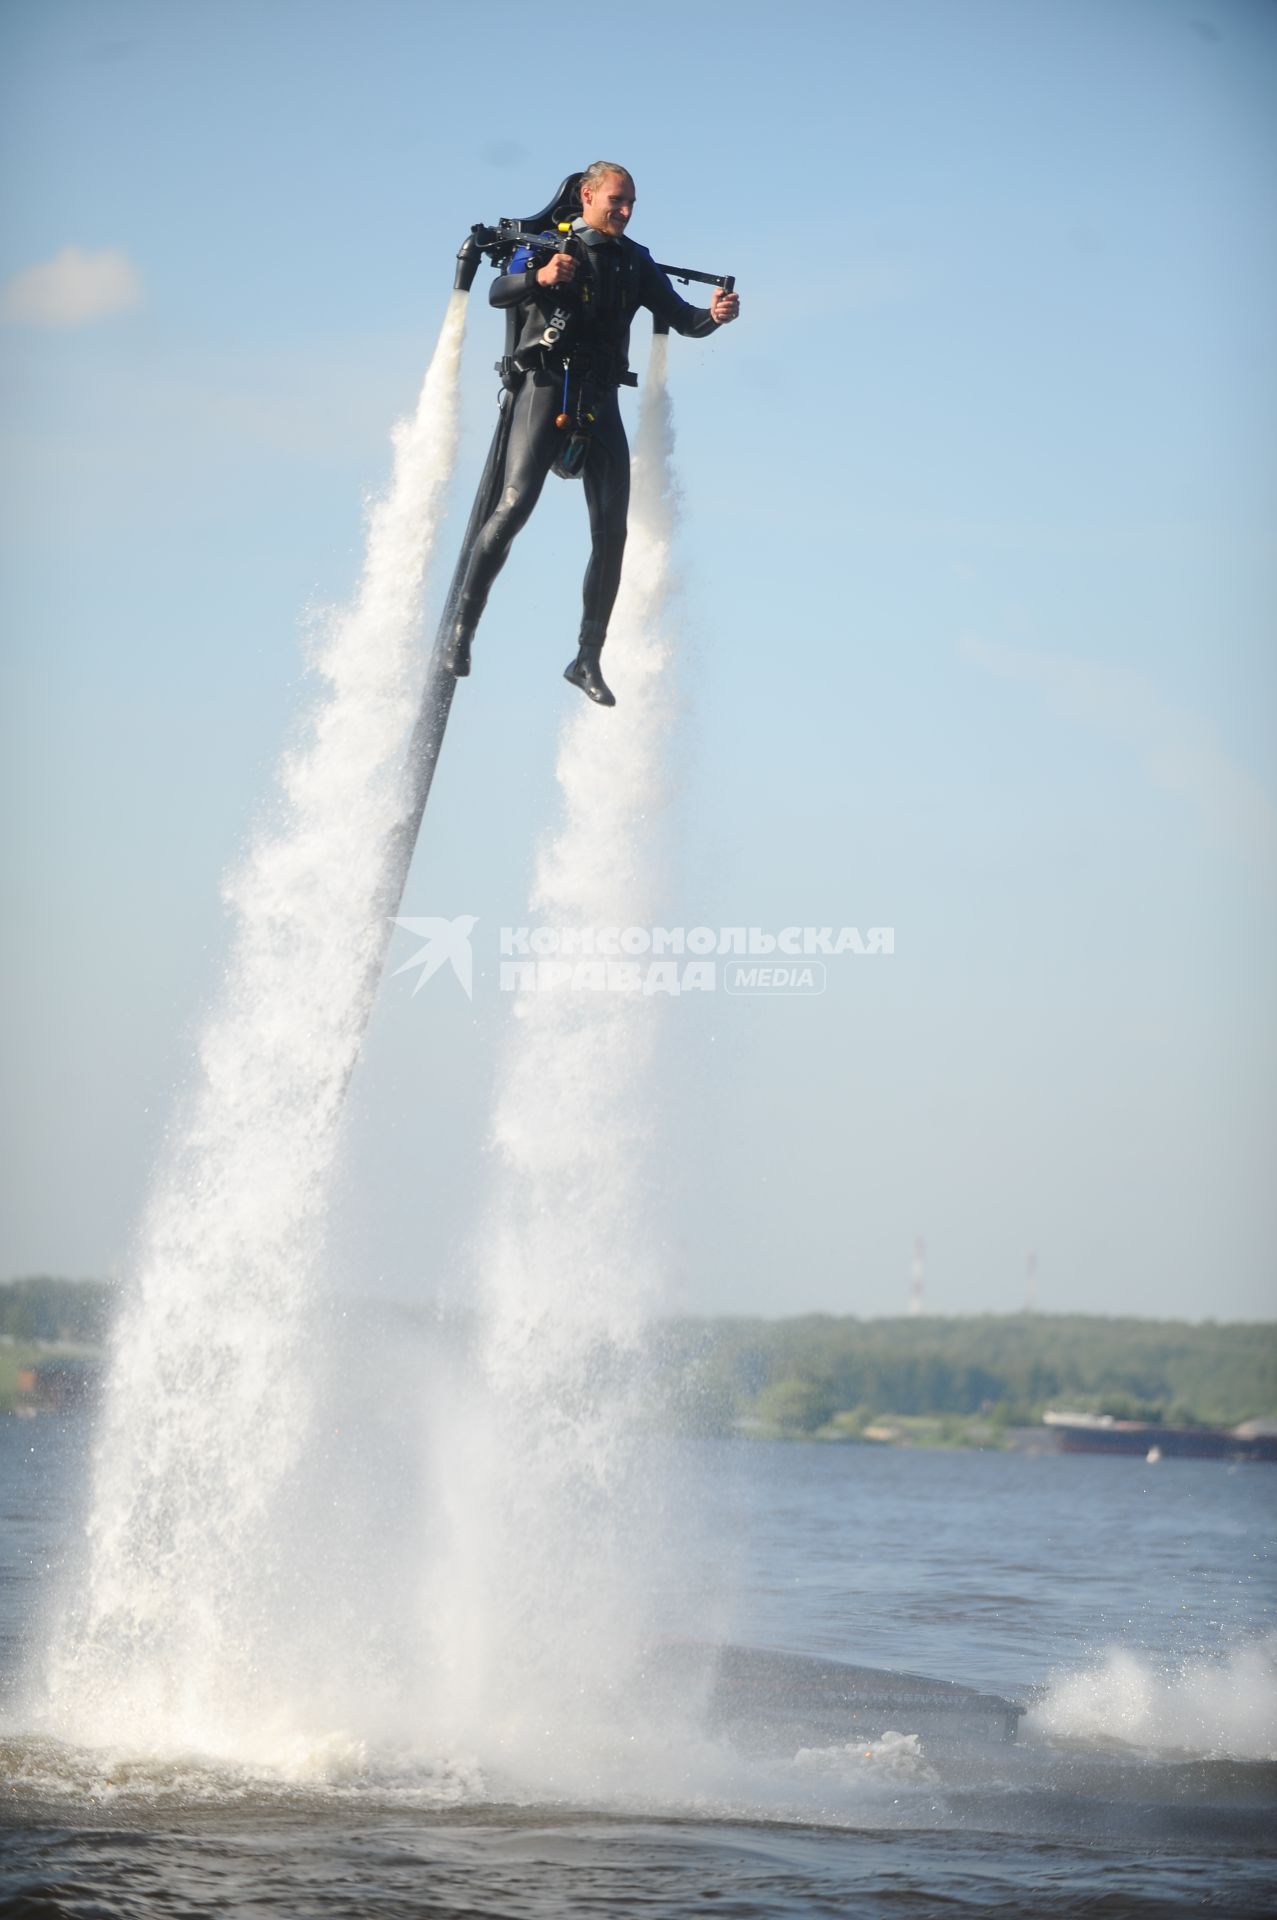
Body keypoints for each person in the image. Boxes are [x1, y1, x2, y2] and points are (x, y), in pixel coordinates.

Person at [446, 162, 740, 706]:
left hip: (600, 397)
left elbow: (683, 317)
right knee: (513, 506)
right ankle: (461, 629)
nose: (625, 212)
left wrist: (715, 316)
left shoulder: (636, 261)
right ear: (588, 196)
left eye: (631, 204)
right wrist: (540, 278)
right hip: (546, 385)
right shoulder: (546, 246)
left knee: (612, 535)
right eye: (616, 200)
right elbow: (497, 292)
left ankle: (586, 657)